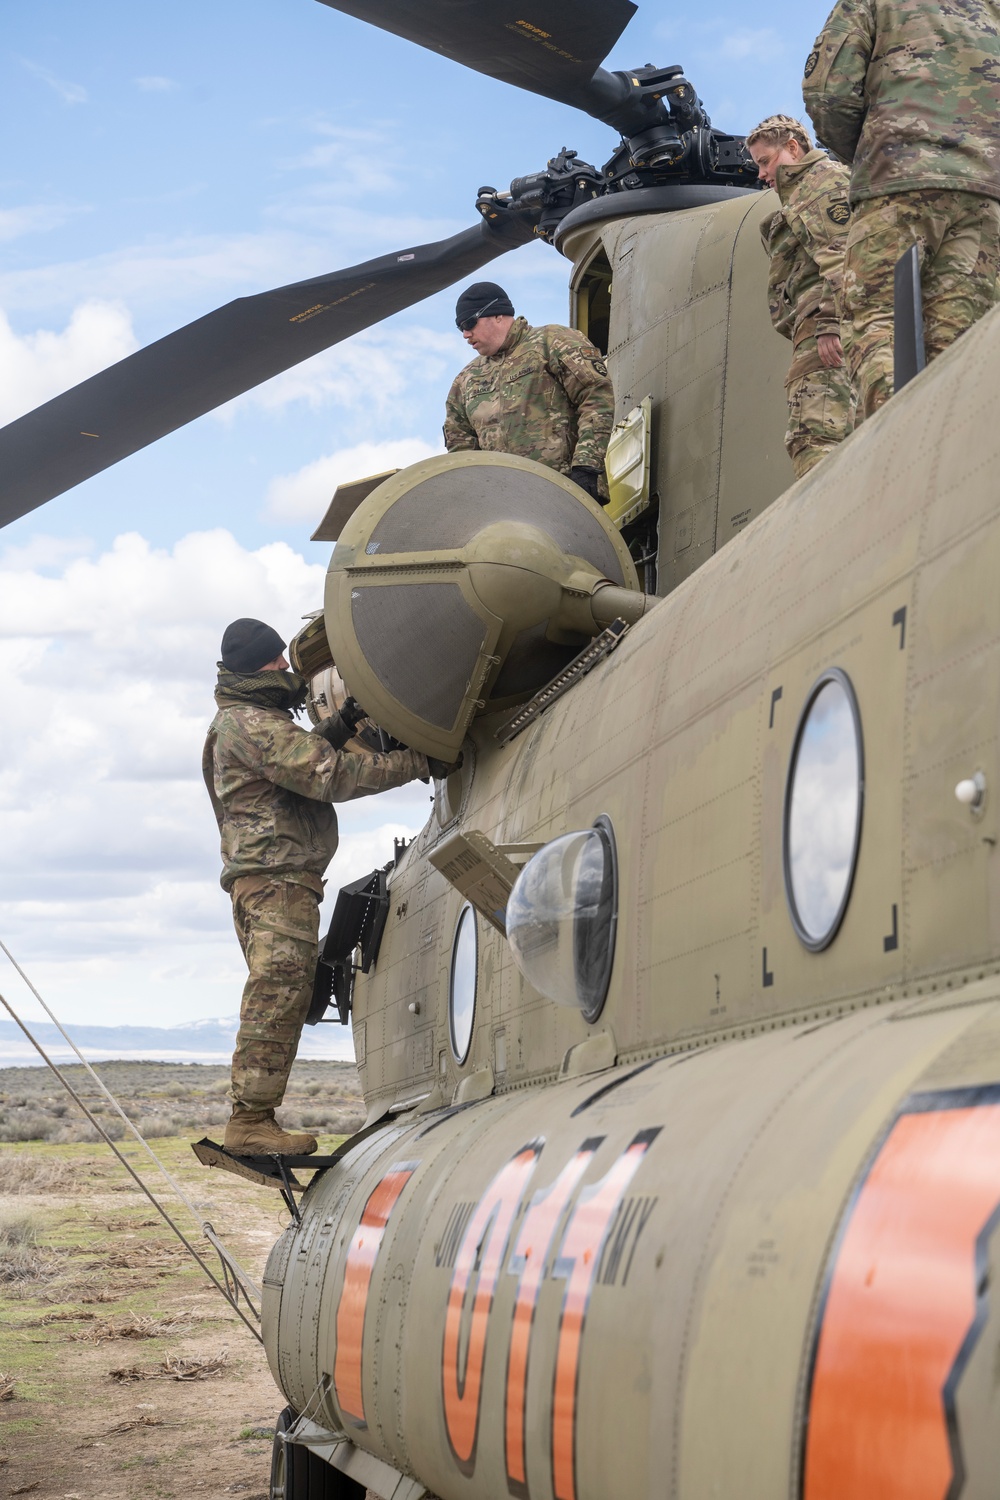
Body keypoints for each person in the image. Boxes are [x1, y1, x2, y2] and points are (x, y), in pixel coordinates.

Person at [204, 617, 432, 1156]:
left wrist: (341, 722)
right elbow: (328, 777)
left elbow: (296, 767)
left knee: (285, 992)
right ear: (257, 666)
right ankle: (251, 1122)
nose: (286, 666)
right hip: (276, 883)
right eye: (275, 659)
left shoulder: (247, 723)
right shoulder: (252, 724)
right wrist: (415, 761)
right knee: (278, 995)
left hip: (271, 882)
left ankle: (254, 1117)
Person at [803, 0, 1000, 421]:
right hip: (985, 193)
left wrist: (862, 155)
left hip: (895, 180)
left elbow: (828, 93)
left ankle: (902, 447)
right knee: (959, 344)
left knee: (876, 322)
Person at [747, 114, 854, 478]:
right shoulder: (806, 192)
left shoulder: (821, 185)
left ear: (792, 148)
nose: (761, 174)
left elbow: (845, 256)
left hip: (825, 331)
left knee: (815, 438)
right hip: (816, 328)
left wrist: (829, 322)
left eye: (765, 161)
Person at [443, 281, 616, 502]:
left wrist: (586, 465)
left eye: (469, 323)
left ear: (498, 315)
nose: (466, 334)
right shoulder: (466, 380)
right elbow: (461, 448)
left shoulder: (553, 342)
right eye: (461, 328)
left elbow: (596, 396)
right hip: (504, 506)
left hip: (565, 490)